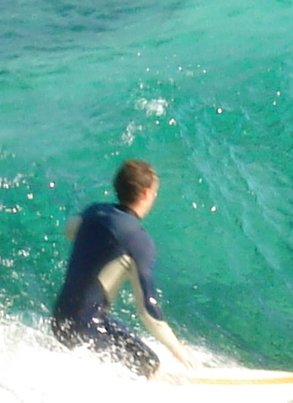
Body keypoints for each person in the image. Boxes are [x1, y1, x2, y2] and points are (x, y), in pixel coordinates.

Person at [50, 159, 193, 379]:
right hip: (85, 328)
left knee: (122, 337)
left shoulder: (95, 211)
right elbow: (147, 309)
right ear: (145, 194)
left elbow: (69, 230)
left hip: (60, 319)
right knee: (150, 365)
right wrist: (176, 348)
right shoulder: (137, 240)